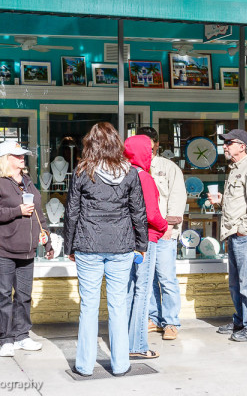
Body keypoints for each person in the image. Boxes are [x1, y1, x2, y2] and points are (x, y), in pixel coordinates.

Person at [63, 122, 148, 377]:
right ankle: (121, 364)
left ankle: (85, 366)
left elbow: (71, 212)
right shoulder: (131, 173)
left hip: (88, 244)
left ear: (91, 144)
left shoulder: (82, 172)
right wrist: (141, 245)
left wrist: (69, 246)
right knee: (118, 305)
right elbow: (138, 212)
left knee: (88, 306)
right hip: (121, 245)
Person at [0, 140, 54, 358]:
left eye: (23, 155)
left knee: (23, 295)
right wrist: (16, 210)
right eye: (18, 155)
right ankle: (6, 339)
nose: (23, 158)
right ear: (6, 159)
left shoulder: (27, 182)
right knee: (3, 295)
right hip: (2, 247)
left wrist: (47, 242)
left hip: (27, 248)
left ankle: (22, 336)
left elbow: (38, 215)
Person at [208, 129, 247, 342]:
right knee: (236, 282)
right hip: (235, 232)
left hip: (245, 234)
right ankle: (241, 320)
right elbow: (239, 201)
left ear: (243, 146)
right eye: (224, 143)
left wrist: (245, 228)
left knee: (246, 281)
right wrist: (222, 200)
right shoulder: (235, 168)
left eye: (229, 142)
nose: (225, 146)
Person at [136, 127, 187, 341]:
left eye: (150, 143)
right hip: (142, 234)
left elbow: (177, 198)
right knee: (145, 279)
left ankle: (171, 322)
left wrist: (170, 228)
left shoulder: (169, 168)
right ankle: (154, 318)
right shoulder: (135, 167)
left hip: (164, 232)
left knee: (166, 278)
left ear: (156, 144)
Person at [124, 135, 168, 359]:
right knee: (142, 291)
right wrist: (164, 226)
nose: (151, 155)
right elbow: (152, 214)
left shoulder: (122, 175)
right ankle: (138, 345)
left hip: (126, 241)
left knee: (130, 291)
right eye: (149, 151)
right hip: (146, 240)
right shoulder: (144, 177)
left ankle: (126, 342)